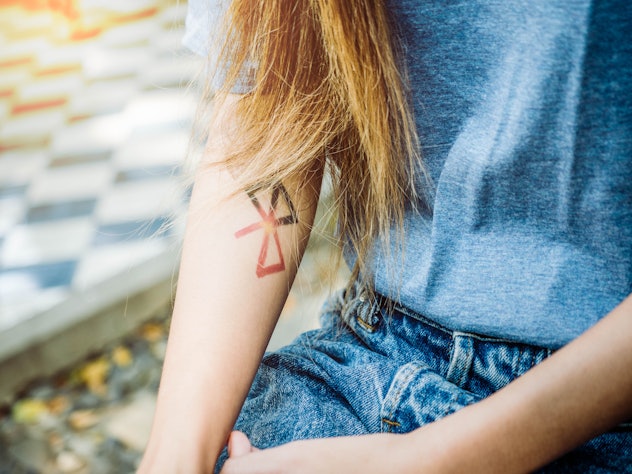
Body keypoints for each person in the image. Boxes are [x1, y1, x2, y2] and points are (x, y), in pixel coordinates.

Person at [139, 0, 632, 472]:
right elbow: (268, 136)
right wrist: (176, 455)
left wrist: (428, 461)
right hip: (374, 351)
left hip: (602, 402)